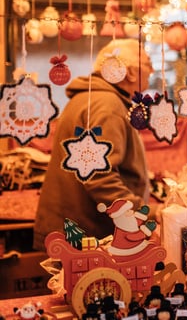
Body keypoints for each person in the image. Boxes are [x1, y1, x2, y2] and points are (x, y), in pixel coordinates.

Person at [33, 39, 155, 251]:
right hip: (85, 236)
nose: (152, 70)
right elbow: (100, 176)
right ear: (131, 73)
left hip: (76, 229)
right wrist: (142, 213)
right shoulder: (107, 105)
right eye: (148, 62)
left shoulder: (95, 98)